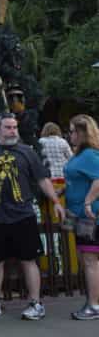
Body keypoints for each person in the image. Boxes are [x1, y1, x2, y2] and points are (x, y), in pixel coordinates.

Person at [0, 111, 65, 321]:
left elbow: (42, 179)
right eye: (8, 127)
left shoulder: (27, 152)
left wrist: (56, 202)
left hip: (23, 215)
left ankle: (36, 303)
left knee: (29, 260)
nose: (12, 131)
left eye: (15, 127)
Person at [64, 114, 99, 321]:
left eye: (72, 131)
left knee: (90, 260)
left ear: (82, 133)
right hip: (76, 215)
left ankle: (94, 305)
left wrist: (87, 201)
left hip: (89, 216)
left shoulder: (90, 155)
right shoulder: (80, 155)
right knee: (87, 260)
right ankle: (93, 302)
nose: (70, 135)